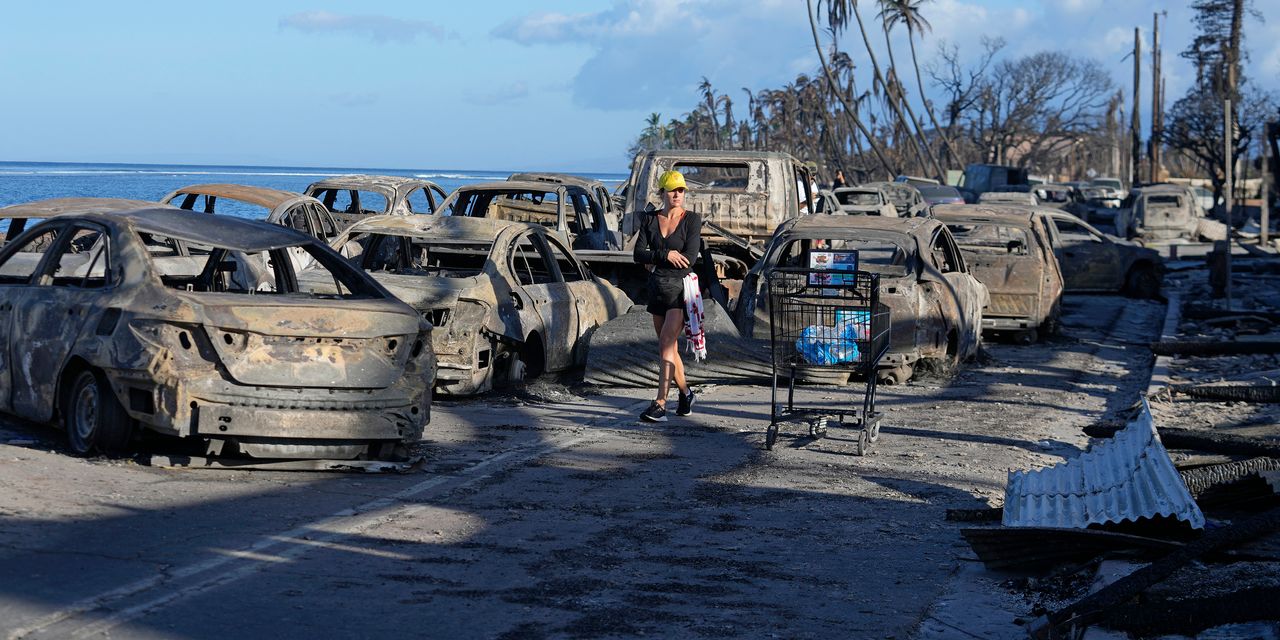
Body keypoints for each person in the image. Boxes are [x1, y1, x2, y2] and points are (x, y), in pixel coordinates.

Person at [633, 170, 701, 422]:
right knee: (669, 348)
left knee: (665, 345)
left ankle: (660, 403)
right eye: (672, 189)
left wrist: (656, 257)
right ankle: (685, 393)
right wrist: (666, 256)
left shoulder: (692, 220)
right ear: (662, 192)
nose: (677, 194)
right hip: (657, 289)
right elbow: (638, 254)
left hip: (680, 290)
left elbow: (690, 259)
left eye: (681, 190)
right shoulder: (649, 219)